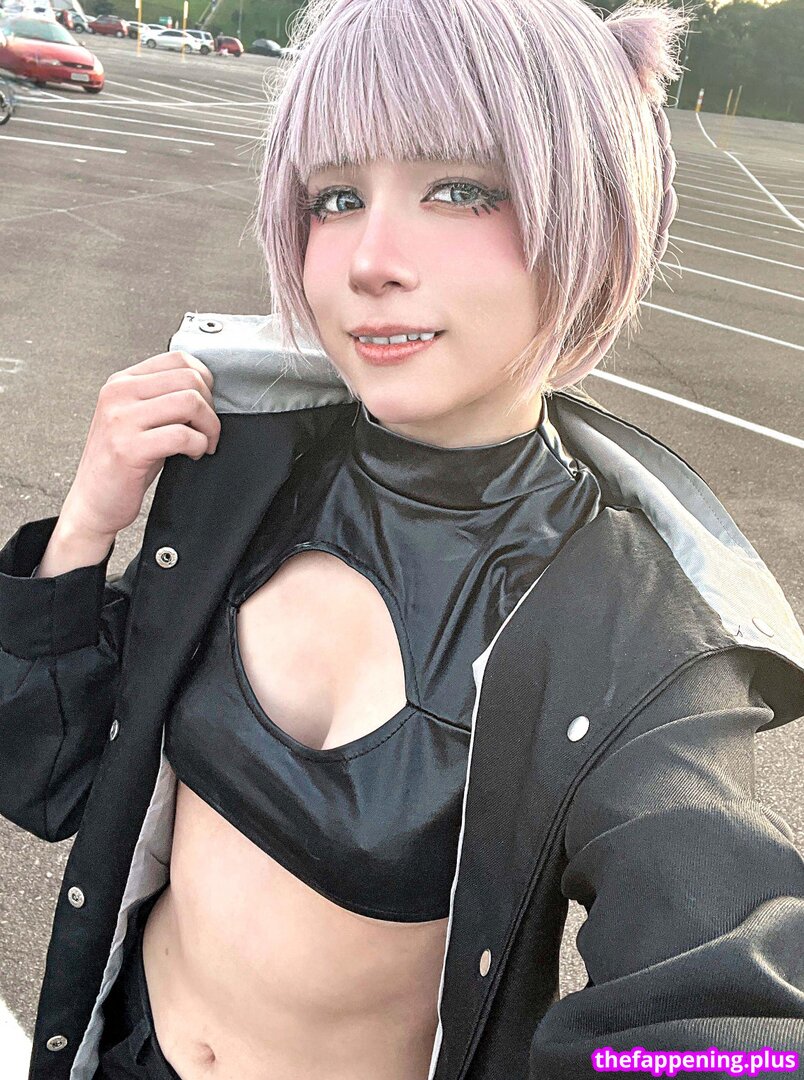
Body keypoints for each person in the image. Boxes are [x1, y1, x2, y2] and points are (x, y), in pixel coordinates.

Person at [1, 0, 803, 1078]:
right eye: (336, 198)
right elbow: (49, 777)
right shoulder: (242, 472)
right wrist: (84, 532)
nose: (369, 260)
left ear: (595, 213)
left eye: (462, 189)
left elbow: (732, 1019)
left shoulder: (634, 630)